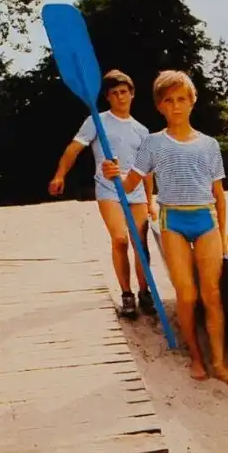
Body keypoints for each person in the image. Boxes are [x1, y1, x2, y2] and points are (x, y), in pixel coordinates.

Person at [102, 70, 228, 387]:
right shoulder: (152, 143)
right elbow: (129, 185)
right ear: (160, 106)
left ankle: (219, 363)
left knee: (212, 294)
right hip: (173, 222)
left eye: (182, 99)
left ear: (192, 101)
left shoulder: (209, 145)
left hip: (206, 221)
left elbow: (219, 196)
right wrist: (113, 174)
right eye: (169, 101)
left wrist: (222, 238)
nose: (176, 106)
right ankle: (196, 357)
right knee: (187, 294)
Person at [48, 69, 157, 319]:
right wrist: (59, 175)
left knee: (140, 243)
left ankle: (145, 292)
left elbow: (147, 170)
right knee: (120, 239)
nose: (120, 97)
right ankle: (127, 294)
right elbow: (74, 149)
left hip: (136, 191)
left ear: (132, 94)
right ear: (107, 97)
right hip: (109, 188)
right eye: (114, 93)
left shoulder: (142, 130)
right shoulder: (97, 121)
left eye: (124, 92)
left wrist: (150, 200)